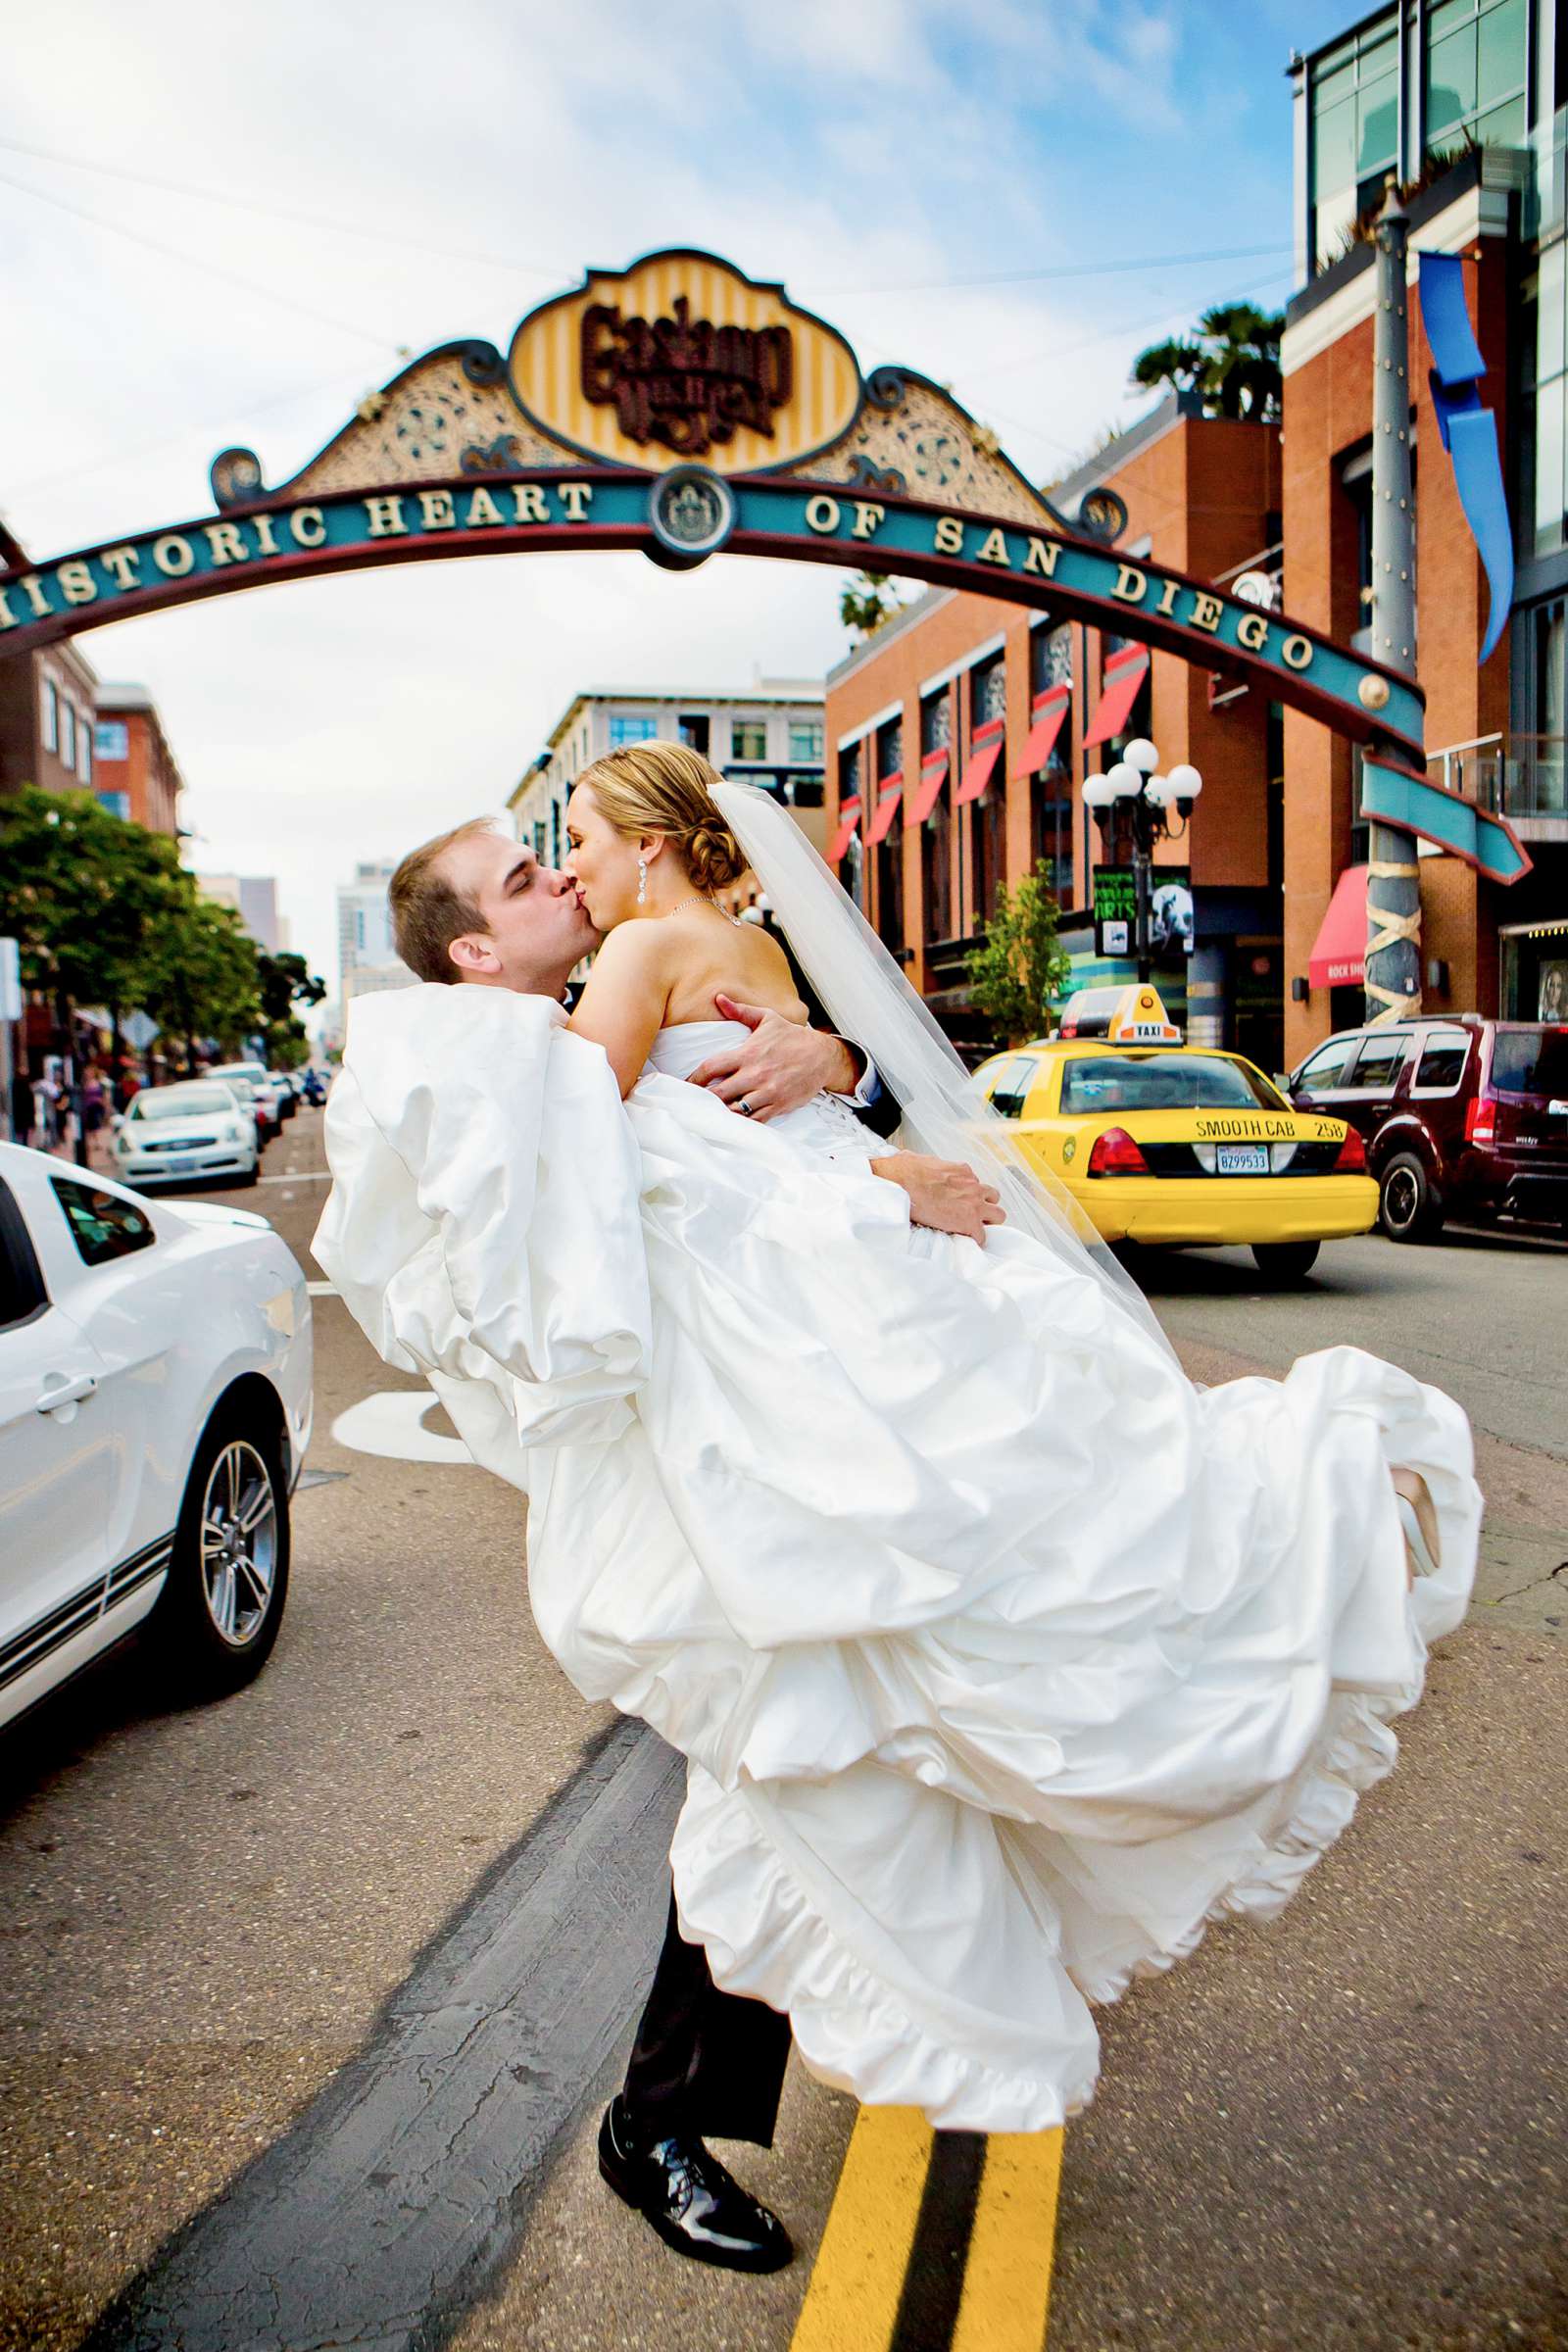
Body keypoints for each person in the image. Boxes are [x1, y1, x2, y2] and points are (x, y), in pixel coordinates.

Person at [316, 746, 1479, 2277]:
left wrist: (846, 1094)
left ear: (654, 848)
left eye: (573, 845)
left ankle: (699, 2101)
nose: (565, 870)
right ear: (475, 948)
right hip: (755, 1392)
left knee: (832, 1723)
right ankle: (687, 2109)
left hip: (825, 1359)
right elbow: (593, 1167)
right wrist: (877, 1163)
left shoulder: (652, 964)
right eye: (538, 869)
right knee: (808, 1725)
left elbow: (747, 1127)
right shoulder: (539, 1025)